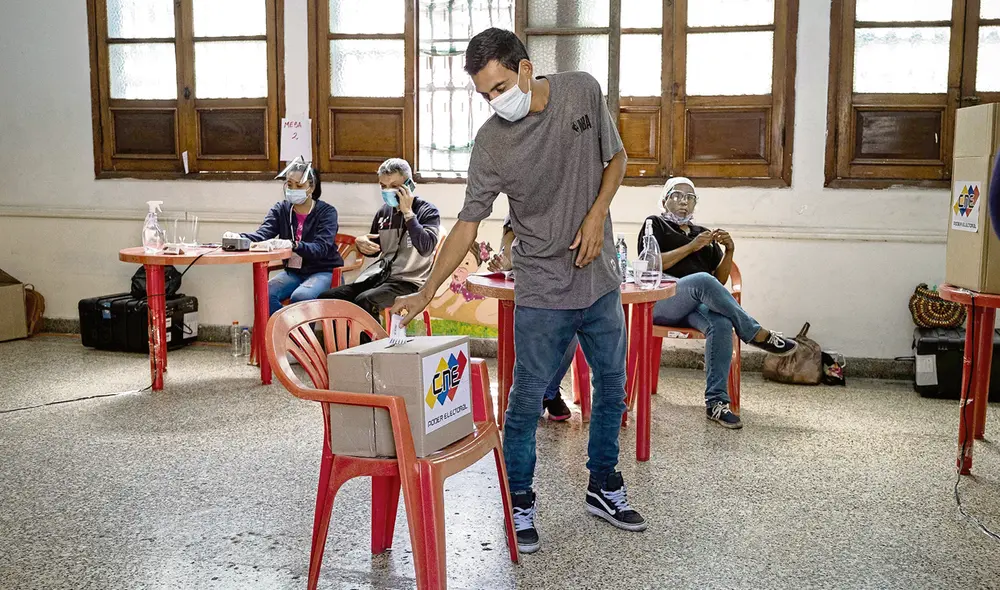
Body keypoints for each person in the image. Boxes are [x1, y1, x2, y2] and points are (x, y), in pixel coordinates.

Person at [391, 28, 642, 554]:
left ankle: (604, 485)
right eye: (485, 94)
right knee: (526, 398)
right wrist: (423, 290)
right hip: (542, 288)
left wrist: (597, 214)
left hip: (597, 282)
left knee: (613, 385)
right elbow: (465, 226)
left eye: (501, 86)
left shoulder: (581, 91)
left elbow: (615, 158)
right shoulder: (492, 143)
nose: (495, 101)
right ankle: (520, 498)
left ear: (526, 69)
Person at [643, 177, 798, 430]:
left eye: (690, 197)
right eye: (677, 195)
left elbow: (720, 280)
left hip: (694, 308)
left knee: (722, 323)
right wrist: (692, 247)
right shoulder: (655, 224)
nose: (684, 201)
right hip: (663, 301)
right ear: (664, 200)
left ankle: (717, 403)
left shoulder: (702, 234)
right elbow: (650, 264)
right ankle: (755, 332)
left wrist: (729, 251)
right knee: (702, 280)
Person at [318, 158, 440, 318]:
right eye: (383, 186)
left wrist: (408, 214)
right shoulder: (384, 213)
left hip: (411, 282)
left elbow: (426, 247)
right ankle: (344, 342)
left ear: (409, 185)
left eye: (395, 186)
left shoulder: (427, 211)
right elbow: (375, 249)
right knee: (328, 298)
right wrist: (361, 243)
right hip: (382, 277)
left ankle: (370, 343)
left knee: (365, 301)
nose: (388, 191)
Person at [236, 157, 343, 316]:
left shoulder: (327, 212)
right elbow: (262, 235)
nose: (293, 190)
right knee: (265, 292)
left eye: (299, 185)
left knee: (301, 296)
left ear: (311, 187)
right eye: (289, 185)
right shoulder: (281, 209)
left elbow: (321, 248)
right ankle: (286, 333)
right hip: (293, 272)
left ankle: (297, 338)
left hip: (323, 271)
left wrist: (294, 245)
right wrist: (237, 238)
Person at [489, 220, 573, 421]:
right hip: (531, 284)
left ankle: (547, 392)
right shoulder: (521, 198)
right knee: (534, 329)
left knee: (572, 328)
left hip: (568, 281)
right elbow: (509, 237)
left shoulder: (573, 200)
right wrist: (507, 260)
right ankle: (540, 395)